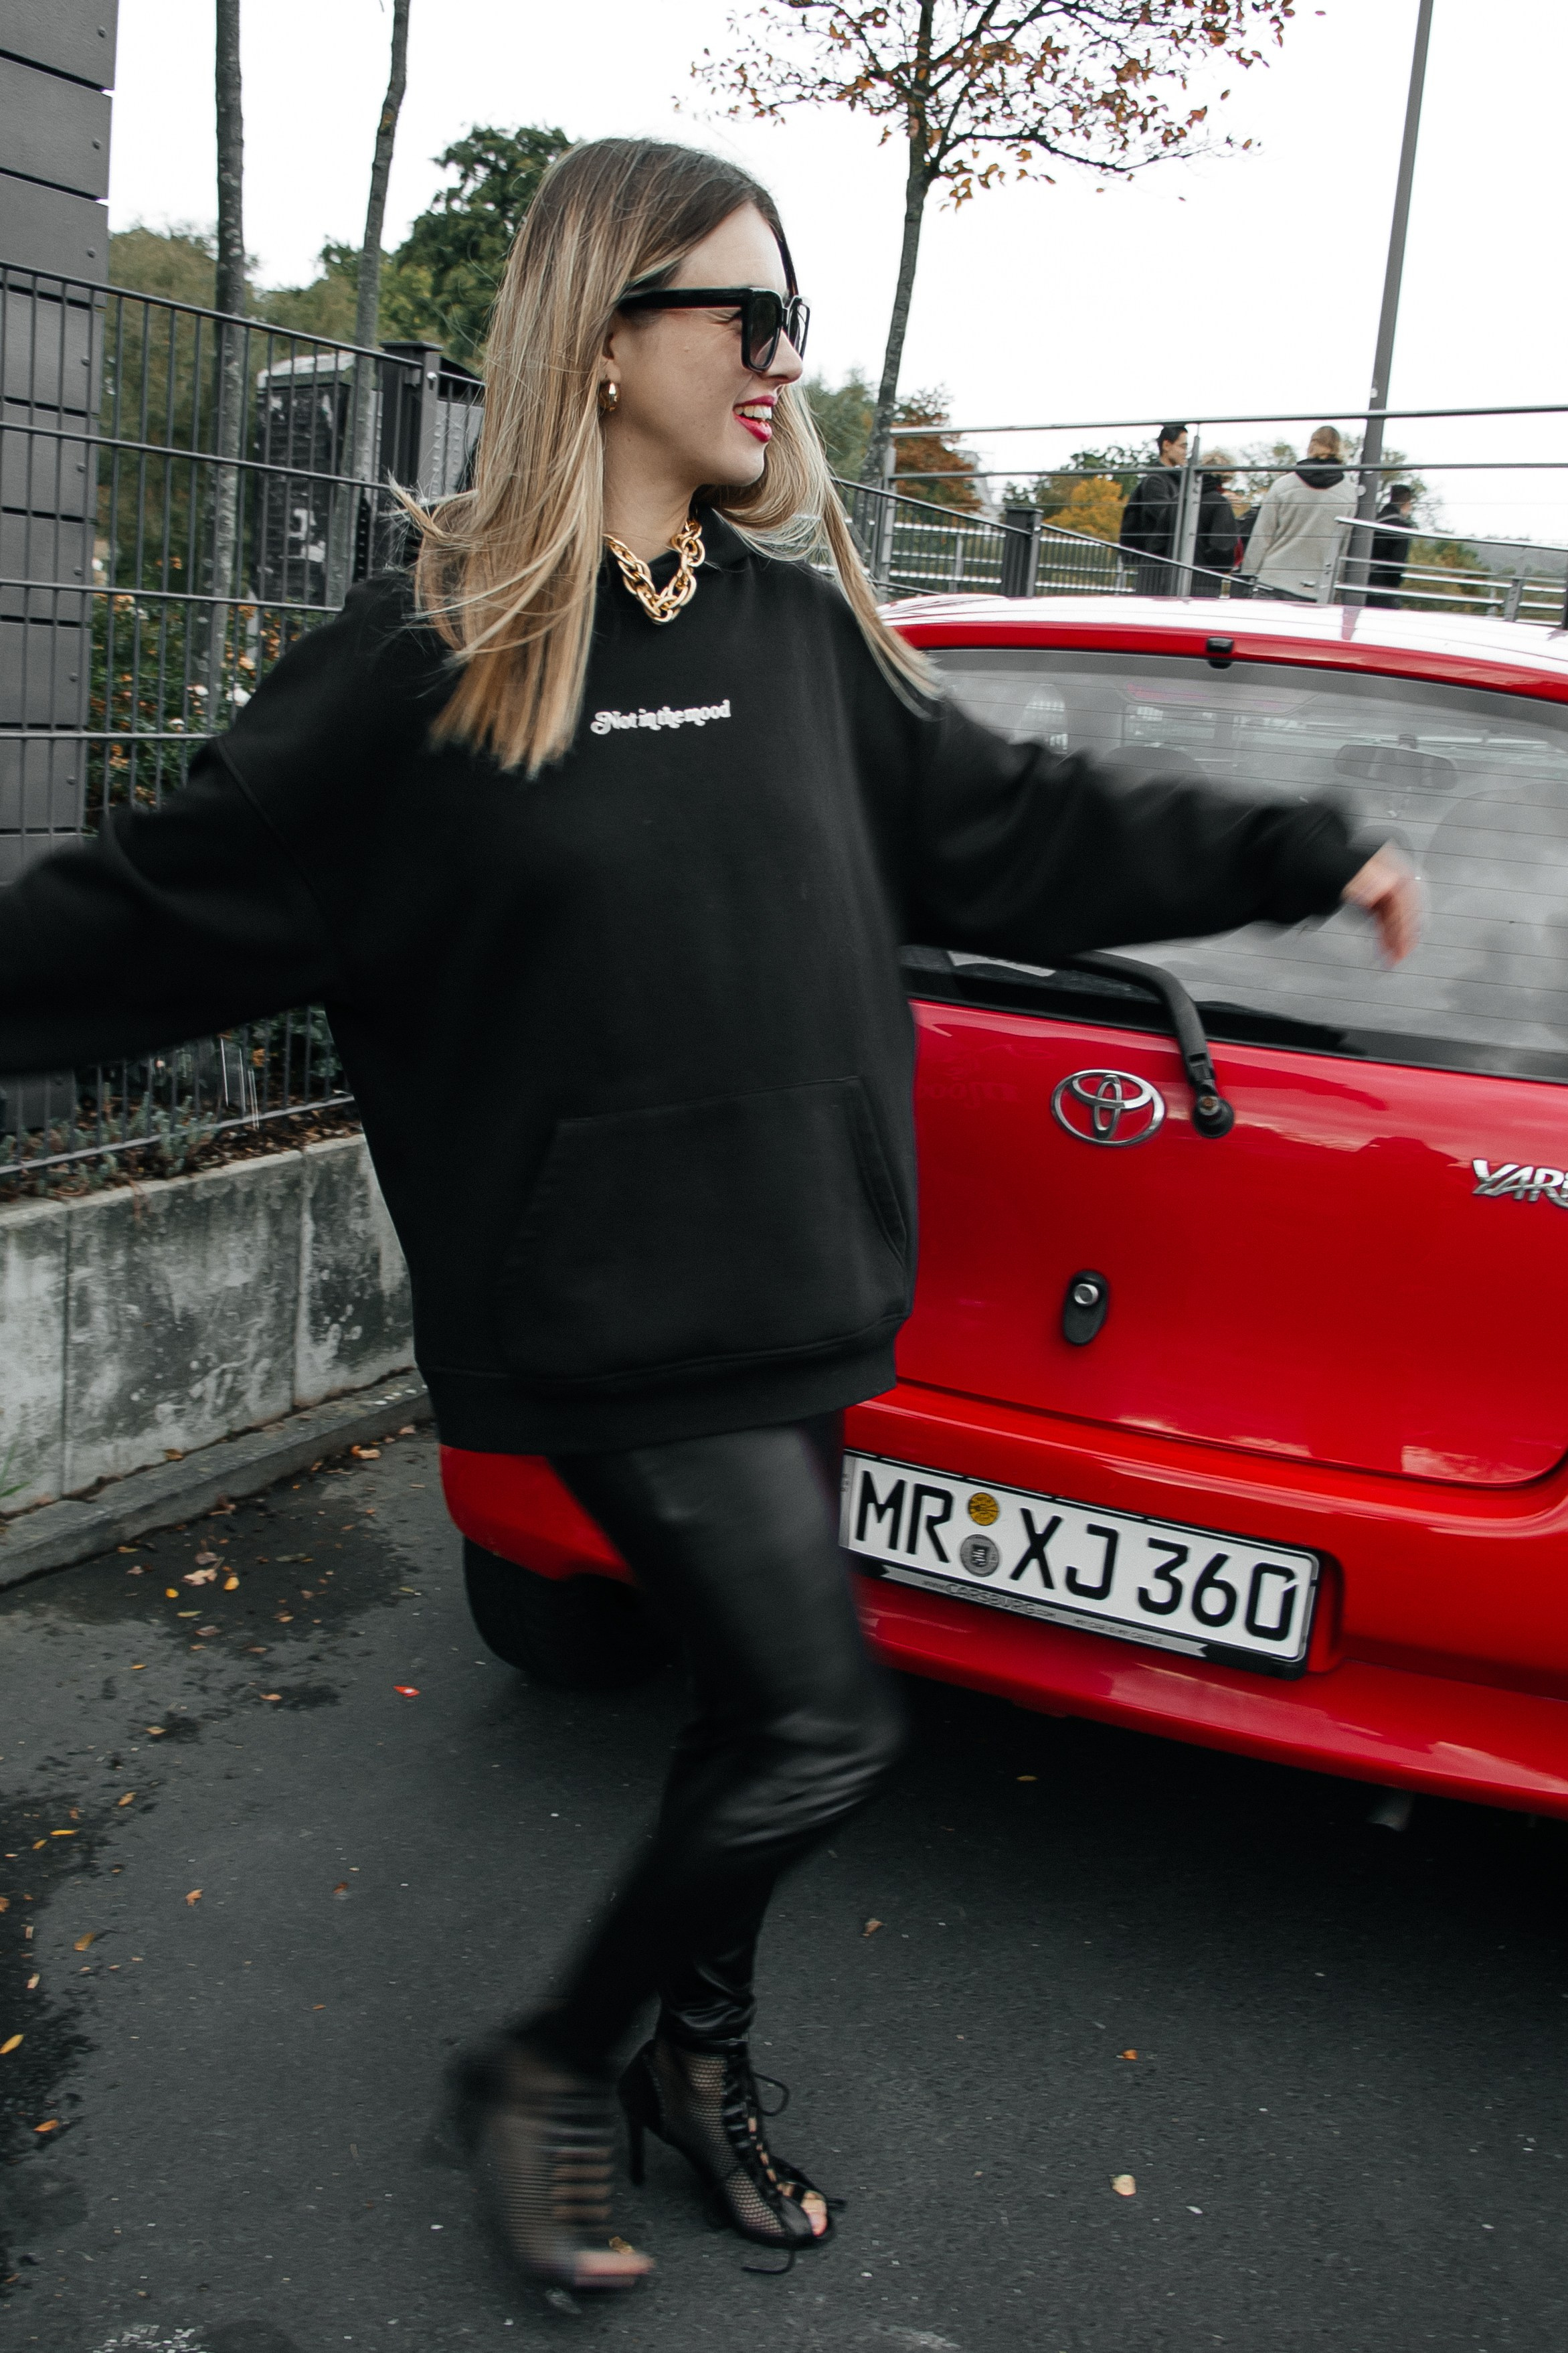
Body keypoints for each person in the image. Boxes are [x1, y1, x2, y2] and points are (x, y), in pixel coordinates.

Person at [0, 139, 1419, 2295]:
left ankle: (699, 2052)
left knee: (751, 1716)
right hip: (599, 1307)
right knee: (822, 1715)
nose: (781, 361)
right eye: (739, 317)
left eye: (794, 322)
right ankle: (552, 2062)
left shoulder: (789, 628)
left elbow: (1014, 832)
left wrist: (1296, 843)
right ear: (600, 331)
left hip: (800, 1278)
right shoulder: (435, 660)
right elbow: (151, 909)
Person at [1239, 426, 1357, 601]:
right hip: (1317, 589)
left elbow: (1262, 536)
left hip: (1272, 580)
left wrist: (1248, 576)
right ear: (1338, 449)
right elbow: (1343, 546)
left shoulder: (1284, 485)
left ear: (1311, 446)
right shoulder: (1349, 494)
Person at [1118, 422, 1189, 593]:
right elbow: (1164, 516)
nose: (1186, 452)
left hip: (1162, 560)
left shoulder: (1171, 480)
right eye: (1183, 446)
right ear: (1166, 445)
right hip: (1157, 561)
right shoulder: (1157, 481)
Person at [1190, 451, 1242, 596]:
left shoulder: (1180, 498)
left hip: (1171, 577)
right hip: (1206, 581)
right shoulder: (1219, 503)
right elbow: (1222, 547)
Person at [1367, 482, 1416, 607]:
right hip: (1383, 587)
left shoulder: (1374, 520)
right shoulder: (1401, 527)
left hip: (1362, 579)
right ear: (1407, 504)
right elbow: (1397, 564)